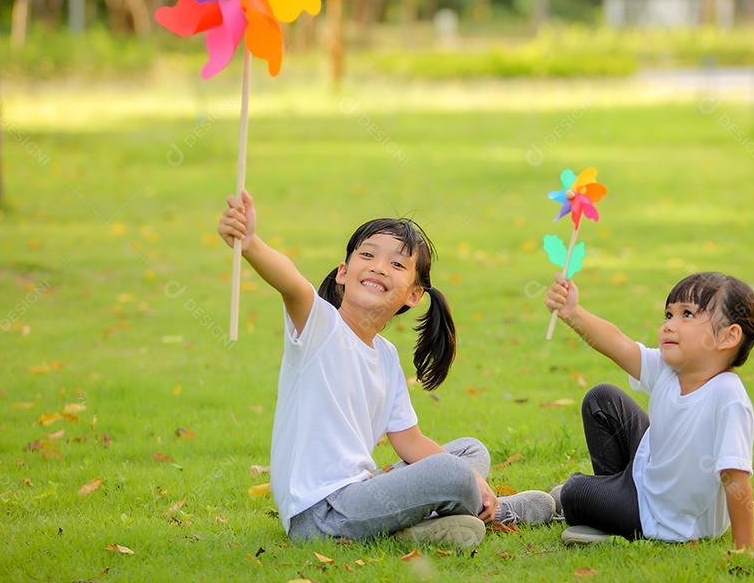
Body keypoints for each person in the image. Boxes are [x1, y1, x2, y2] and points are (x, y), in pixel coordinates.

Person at [218, 191, 554, 549]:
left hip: (361, 492)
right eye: (367, 255)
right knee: (452, 473)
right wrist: (251, 243)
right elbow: (293, 285)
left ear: (412, 295)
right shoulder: (320, 328)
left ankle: (422, 525)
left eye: (397, 265)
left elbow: (410, 442)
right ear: (343, 273)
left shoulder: (387, 355)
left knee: (470, 453)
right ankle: (495, 512)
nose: (379, 267)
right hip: (320, 514)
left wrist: (472, 477)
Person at [545, 271, 754, 549]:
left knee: (573, 492)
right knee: (602, 399)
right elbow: (619, 344)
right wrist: (572, 312)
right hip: (646, 473)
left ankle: (603, 505)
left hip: (664, 517)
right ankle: (608, 498)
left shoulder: (727, 396)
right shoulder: (669, 369)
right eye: (669, 315)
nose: (670, 325)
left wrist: (744, 549)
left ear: (728, 336)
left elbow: (735, 477)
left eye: (687, 315)